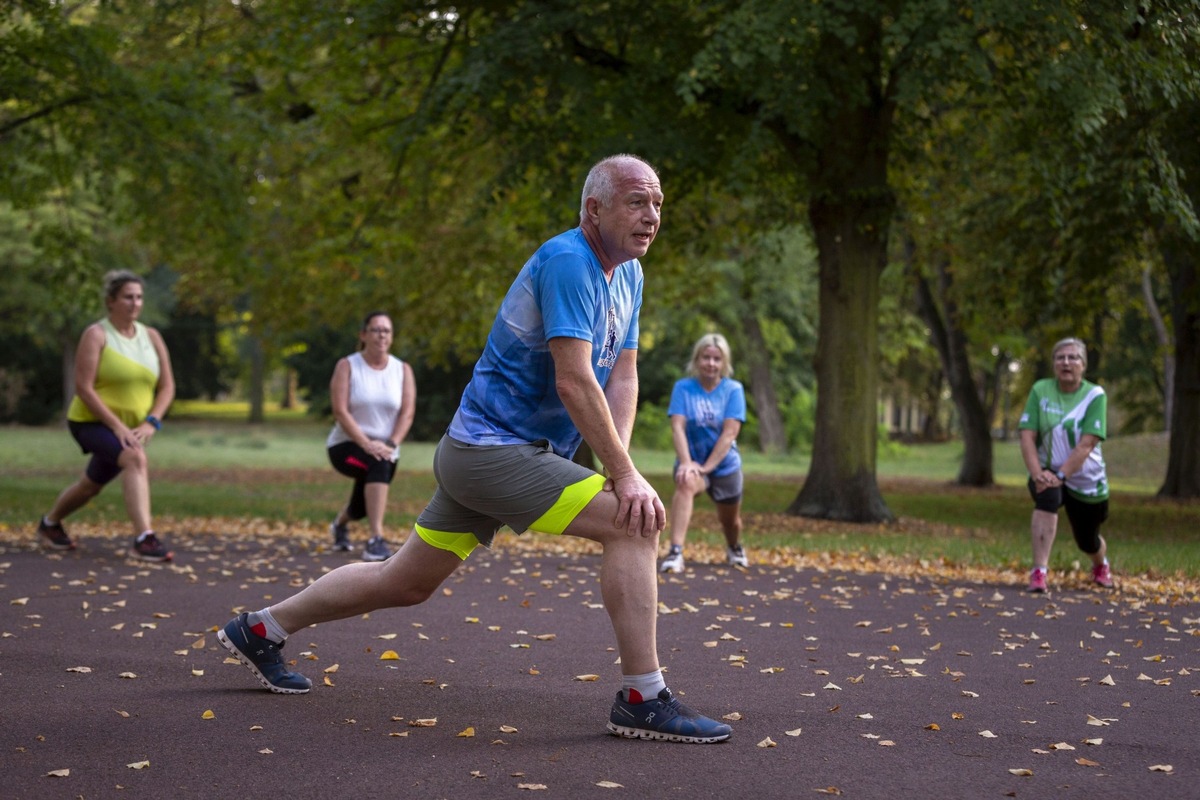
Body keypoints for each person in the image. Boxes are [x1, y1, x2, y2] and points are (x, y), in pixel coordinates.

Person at [218, 154, 732, 744]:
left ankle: (261, 630)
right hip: (492, 453)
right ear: (594, 209)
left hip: (488, 456)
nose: (652, 216)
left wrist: (623, 470)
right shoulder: (569, 260)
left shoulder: (630, 276)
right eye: (638, 202)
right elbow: (573, 379)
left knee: (404, 582)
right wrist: (625, 478)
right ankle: (643, 697)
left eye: (658, 204)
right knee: (634, 525)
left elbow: (621, 377)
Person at [37, 270, 176, 562]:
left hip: (132, 427)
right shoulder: (97, 335)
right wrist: (117, 428)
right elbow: (84, 388)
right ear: (111, 301)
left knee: (90, 487)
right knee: (134, 457)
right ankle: (144, 539)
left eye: (139, 297)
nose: (135, 303)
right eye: (128, 297)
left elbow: (167, 386)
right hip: (90, 422)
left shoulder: (151, 336)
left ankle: (50, 525)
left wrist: (151, 422)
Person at [1018, 336, 1113, 593]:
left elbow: (1087, 444)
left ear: (1083, 364)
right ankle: (1039, 572)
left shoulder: (1095, 395)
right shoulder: (1041, 390)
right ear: (1053, 364)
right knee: (1047, 497)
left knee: (1087, 540)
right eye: (1060, 357)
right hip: (1047, 470)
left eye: (1073, 357)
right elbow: (1027, 435)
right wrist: (1039, 474)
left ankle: (1100, 564)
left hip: (1085, 477)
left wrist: (1062, 474)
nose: (1066, 362)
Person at [326, 312, 417, 561]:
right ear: (363, 334)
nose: (382, 335)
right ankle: (376, 539)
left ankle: (340, 525)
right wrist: (367, 444)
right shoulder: (347, 365)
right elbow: (340, 411)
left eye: (386, 330)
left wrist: (390, 443)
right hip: (347, 447)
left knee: (363, 504)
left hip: (386, 449)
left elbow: (407, 413)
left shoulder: (402, 370)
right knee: (376, 465)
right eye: (376, 330)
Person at [659, 333, 748, 573]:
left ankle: (734, 547)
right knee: (686, 482)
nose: (711, 363)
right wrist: (688, 463)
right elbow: (677, 426)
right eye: (706, 357)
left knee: (730, 521)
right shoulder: (683, 388)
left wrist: (707, 468)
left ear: (724, 363)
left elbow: (730, 433)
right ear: (697, 360)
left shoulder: (733, 390)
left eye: (717, 359)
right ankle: (675, 552)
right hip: (693, 462)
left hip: (725, 465)